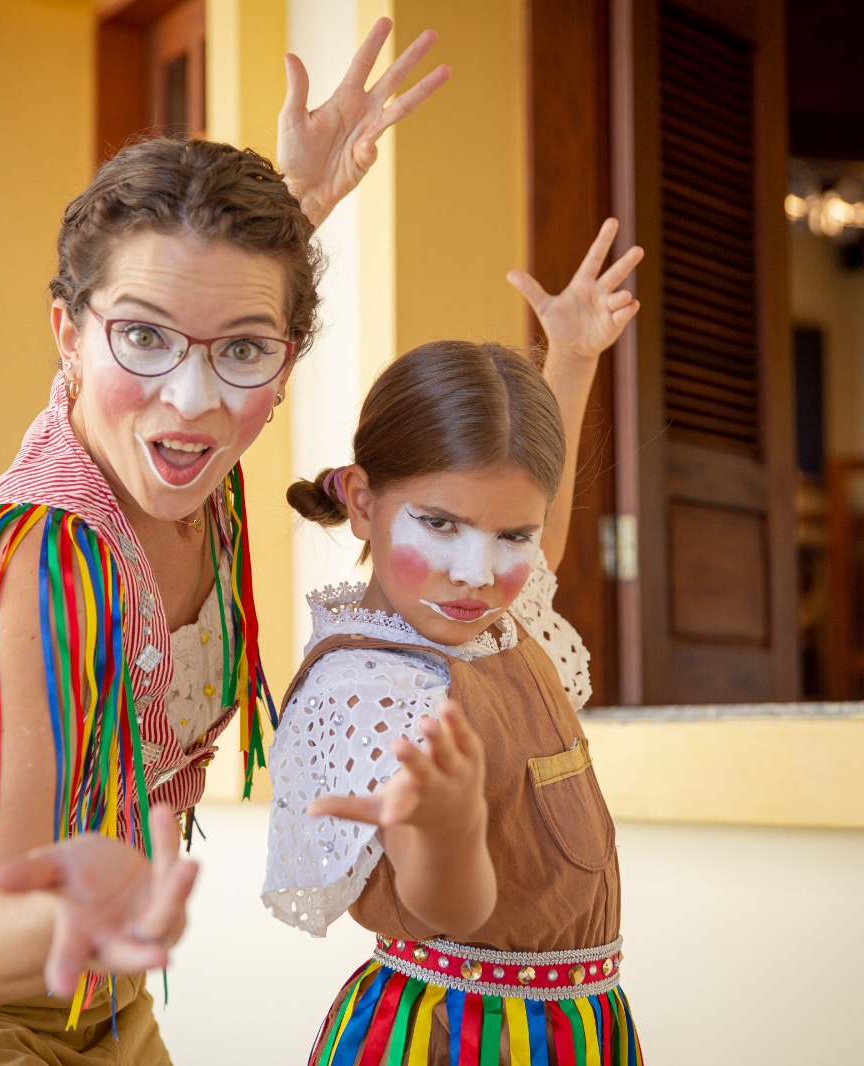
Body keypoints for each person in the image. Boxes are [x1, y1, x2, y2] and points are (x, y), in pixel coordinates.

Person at [0, 21, 449, 1063]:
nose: (191, 398)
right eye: (142, 337)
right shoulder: (36, 568)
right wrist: (93, 904)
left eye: (244, 352)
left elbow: (212, 298)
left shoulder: (186, 446)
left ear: (284, 357)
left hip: (96, 1000)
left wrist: (297, 200)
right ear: (69, 336)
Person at [262, 220, 646, 1064]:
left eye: (511, 537)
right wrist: (446, 835)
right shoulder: (371, 688)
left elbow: (537, 525)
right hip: (454, 1035)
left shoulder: (486, 617)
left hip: (573, 1029)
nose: (477, 572)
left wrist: (572, 357)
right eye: (439, 524)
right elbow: (447, 911)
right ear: (362, 501)